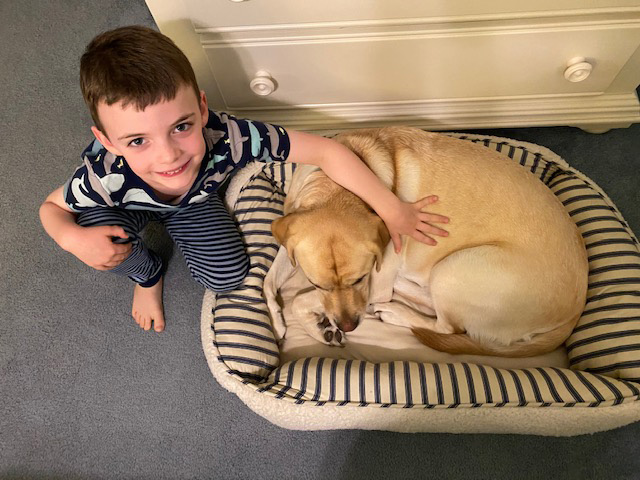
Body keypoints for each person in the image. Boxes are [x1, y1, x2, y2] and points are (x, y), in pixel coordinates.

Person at [39, 25, 449, 334]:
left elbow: (328, 151)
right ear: (107, 141)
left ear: (202, 109)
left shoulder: (230, 137)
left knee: (227, 277)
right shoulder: (103, 174)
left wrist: (391, 208)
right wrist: (70, 238)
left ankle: (172, 225)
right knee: (95, 237)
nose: (168, 155)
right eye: (137, 140)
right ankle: (147, 274)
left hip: (194, 203)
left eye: (181, 126)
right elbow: (51, 208)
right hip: (124, 205)